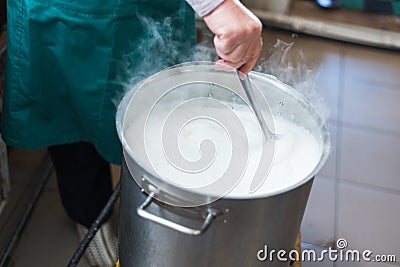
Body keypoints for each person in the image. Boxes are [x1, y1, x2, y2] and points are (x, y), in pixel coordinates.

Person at [3, 0, 262, 266]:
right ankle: (90, 217)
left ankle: (158, 215)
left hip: (150, 7)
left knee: (160, 112)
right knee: (74, 119)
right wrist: (218, 5)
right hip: (74, 12)